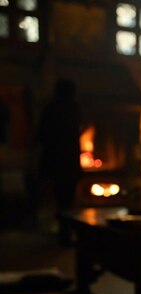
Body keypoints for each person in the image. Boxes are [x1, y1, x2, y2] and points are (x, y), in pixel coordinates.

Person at [36, 78, 84, 241]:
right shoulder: (74, 109)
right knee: (66, 200)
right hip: (68, 162)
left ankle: (62, 232)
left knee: (59, 199)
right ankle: (64, 232)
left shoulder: (51, 109)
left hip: (55, 162)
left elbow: (40, 136)